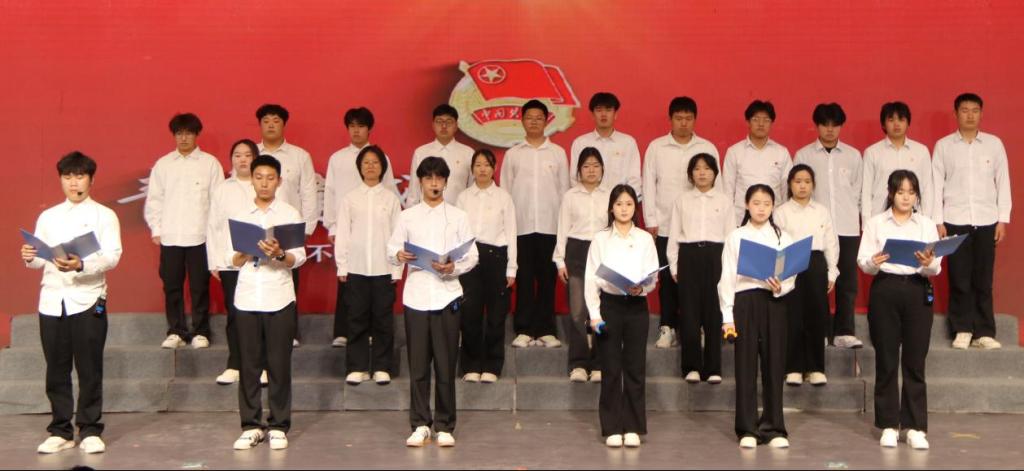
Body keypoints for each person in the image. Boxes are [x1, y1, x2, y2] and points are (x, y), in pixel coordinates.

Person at [23, 151, 122, 455]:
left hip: (88, 299)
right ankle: (60, 430)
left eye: (79, 176)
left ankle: (90, 429)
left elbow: (112, 256)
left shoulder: (104, 215)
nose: (73, 182)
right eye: (67, 177)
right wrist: (29, 256)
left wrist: (81, 264)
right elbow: (37, 260)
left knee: (89, 367)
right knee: (56, 368)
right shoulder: (49, 216)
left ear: (91, 179)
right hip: (53, 300)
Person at [389, 157, 479, 448]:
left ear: (446, 182)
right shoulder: (407, 216)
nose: (434, 183)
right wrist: (398, 255)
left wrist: (453, 267)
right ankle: (419, 424)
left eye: (439, 178)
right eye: (428, 178)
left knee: (445, 363)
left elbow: (472, 255)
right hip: (416, 295)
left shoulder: (458, 216)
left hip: (447, 294)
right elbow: (392, 248)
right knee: (418, 366)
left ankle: (444, 425)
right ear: (420, 182)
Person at [857, 170, 941, 450]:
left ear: (917, 196)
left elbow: (936, 267)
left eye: (911, 192)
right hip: (885, 289)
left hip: (917, 289)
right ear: (891, 193)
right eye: (901, 192)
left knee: (915, 360)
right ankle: (888, 425)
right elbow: (863, 262)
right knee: (887, 359)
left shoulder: (926, 224)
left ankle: (915, 427)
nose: (906, 197)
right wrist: (874, 261)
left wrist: (928, 262)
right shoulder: (876, 223)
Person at [229, 155, 307, 451]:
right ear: (252, 180)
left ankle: (278, 425)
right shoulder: (240, 215)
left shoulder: (289, 213)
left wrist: (279, 253)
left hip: (279, 297)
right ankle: (250, 425)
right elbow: (229, 258)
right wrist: (247, 251)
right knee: (248, 365)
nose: (264, 183)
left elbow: (299, 257)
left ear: (279, 181)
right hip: (248, 296)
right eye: (259, 177)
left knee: (279, 364)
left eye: (270, 178)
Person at [719, 184, 796, 449]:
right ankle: (747, 429)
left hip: (774, 302)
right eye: (756, 203)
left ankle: (774, 428)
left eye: (766, 204)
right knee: (745, 365)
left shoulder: (782, 237)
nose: (761, 208)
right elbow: (727, 277)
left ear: (773, 207)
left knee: (774, 364)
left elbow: (791, 275)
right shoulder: (736, 236)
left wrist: (781, 286)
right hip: (745, 302)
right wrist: (727, 316)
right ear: (747, 205)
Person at [932, 92, 1012, 350]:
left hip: (987, 219)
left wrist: (1002, 219)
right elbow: (936, 184)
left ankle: (984, 331)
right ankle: (963, 329)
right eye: (964, 110)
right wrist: (938, 220)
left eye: (975, 110)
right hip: (954, 219)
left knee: (983, 278)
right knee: (959, 277)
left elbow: (1003, 183)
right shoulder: (944, 146)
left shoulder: (994, 144)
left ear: (981, 114)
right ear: (956, 113)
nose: (970, 115)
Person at [642, 96, 720, 351]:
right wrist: (651, 220)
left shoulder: (707, 147)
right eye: (679, 118)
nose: (683, 123)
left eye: (688, 118)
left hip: (699, 228)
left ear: (695, 119)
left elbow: (717, 187)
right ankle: (668, 327)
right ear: (670, 119)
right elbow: (648, 184)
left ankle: (698, 327)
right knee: (667, 278)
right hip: (665, 224)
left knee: (699, 282)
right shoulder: (657, 147)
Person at [584, 184, 659, 448]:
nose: (624, 209)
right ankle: (612, 427)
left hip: (636, 306)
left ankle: (633, 426)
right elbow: (591, 278)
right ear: (611, 208)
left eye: (629, 204)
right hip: (610, 306)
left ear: (635, 208)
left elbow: (653, 275)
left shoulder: (644, 238)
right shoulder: (601, 239)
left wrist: (643, 287)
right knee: (611, 367)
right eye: (619, 204)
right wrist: (595, 314)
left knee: (635, 368)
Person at [144, 113, 224, 349]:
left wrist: (215, 234)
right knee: (172, 286)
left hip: (201, 236)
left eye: (188, 133)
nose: (184, 138)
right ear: (174, 136)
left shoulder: (210, 164)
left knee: (200, 286)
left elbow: (218, 201)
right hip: (171, 236)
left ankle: (201, 331)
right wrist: (157, 228)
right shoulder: (164, 164)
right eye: (179, 133)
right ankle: (176, 331)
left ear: (196, 135)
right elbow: (155, 199)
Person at [323, 106, 399, 348]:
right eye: (352, 126)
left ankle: (372, 332)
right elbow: (330, 192)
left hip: (376, 227)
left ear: (369, 129)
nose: (356, 131)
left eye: (361, 126)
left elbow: (390, 190)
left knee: (375, 285)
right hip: (347, 225)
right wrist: (333, 226)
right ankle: (343, 331)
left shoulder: (381, 157)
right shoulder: (337, 158)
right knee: (347, 279)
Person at [793, 103, 865, 349]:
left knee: (847, 282)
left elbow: (858, 192)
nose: (830, 130)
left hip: (846, 227)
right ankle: (820, 331)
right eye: (825, 124)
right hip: (815, 229)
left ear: (841, 126)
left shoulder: (853, 156)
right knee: (816, 282)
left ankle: (844, 331)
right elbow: (798, 191)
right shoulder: (803, 156)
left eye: (835, 125)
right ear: (817, 126)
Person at [500, 99, 569, 349]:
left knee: (548, 280)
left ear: (546, 121)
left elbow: (565, 192)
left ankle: (546, 329)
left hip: (550, 227)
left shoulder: (558, 153)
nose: (534, 122)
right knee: (524, 279)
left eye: (539, 118)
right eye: (529, 117)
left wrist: (564, 228)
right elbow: (505, 193)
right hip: (521, 227)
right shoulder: (513, 154)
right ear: (522, 121)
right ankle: (524, 329)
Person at [335, 145, 403, 386]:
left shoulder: (391, 199)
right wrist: (342, 266)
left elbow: (398, 236)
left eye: (375, 162)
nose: (371, 166)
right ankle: (358, 367)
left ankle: (382, 367)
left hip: (384, 269)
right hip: (356, 268)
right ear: (360, 168)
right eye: (366, 162)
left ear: (383, 167)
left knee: (383, 320)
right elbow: (343, 234)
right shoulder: (350, 199)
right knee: (356, 318)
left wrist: (397, 268)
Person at [666, 153, 734, 384]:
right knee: (690, 314)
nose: (702, 173)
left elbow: (731, 238)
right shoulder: (682, 201)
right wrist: (674, 266)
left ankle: (713, 368)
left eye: (707, 168)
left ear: (715, 173)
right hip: (689, 256)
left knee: (715, 313)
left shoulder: (724, 201)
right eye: (697, 168)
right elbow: (674, 236)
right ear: (690, 174)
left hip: (717, 256)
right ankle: (691, 367)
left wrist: (729, 268)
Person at [207, 139, 267, 386]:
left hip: (262, 262)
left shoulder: (263, 186)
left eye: (247, 155)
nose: (242, 159)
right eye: (237, 155)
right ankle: (235, 364)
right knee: (235, 314)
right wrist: (214, 261)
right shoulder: (223, 189)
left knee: (260, 313)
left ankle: (261, 366)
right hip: (231, 261)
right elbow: (213, 226)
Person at [256, 104, 316, 347]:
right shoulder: (252, 154)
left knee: (289, 279)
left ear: (284, 124)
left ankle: (288, 331)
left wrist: (307, 229)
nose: (271, 125)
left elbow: (309, 193)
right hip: (257, 224)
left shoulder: (300, 156)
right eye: (266, 121)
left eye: (276, 120)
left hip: (288, 227)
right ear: (260, 125)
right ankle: (258, 331)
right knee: (257, 276)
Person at [775, 165, 839, 387]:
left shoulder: (821, 211)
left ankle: (815, 368)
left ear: (813, 185)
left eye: (807, 181)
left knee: (816, 315)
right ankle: (793, 368)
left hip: (815, 261)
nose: (802, 186)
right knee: (792, 316)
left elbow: (831, 242)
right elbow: (777, 243)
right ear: (790, 184)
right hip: (790, 261)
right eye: (797, 181)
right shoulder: (781, 212)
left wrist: (832, 271)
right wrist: (779, 271)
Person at [456, 149, 517, 384]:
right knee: (469, 313)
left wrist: (511, 268)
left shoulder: (503, 197)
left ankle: (492, 365)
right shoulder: (463, 197)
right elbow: (457, 232)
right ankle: (470, 365)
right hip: (469, 257)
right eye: (478, 165)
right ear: (472, 169)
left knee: (496, 315)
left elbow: (511, 233)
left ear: (494, 168)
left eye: (487, 165)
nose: (482, 169)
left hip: (496, 257)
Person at [554, 147, 611, 383]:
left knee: (601, 310)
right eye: (586, 166)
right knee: (578, 312)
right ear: (578, 171)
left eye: (596, 166)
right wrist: (560, 260)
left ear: (603, 169)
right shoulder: (570, 196)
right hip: (576, 252)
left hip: (603, 252)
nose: (591, 170)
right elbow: (562, 229)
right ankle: (578, 364)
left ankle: (599, 364)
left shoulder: (610, 195)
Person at [722, 100, 793, 226]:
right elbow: (727, 190)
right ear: (748, 122)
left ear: (771, 123)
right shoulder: (734, 152)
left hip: (774, 221)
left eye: (766, 120)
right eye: (756, 119)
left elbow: (787, 189)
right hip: (741, 221)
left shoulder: (781, 152)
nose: (761, 124)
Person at [862, 101, 934, 222]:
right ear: (883, 124)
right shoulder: (872, 152)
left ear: (908, 123)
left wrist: (926, 219)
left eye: (901, 119)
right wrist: (866, 222)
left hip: (914, 217)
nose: (896, 124)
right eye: (891, 120)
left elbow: (927, 188)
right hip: (880, 217)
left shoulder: (921, 151)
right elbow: (866, 191)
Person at [569, 92, 642, 193]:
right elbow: (575, 178)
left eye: (608, 110)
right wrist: (588, 199)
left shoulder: (628, 143)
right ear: (593, 115)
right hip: (588, 201)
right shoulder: (580, 143)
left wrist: (622, 200)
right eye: (599, 110)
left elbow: (634, 179)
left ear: (615, 114)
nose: (603, 114)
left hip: (619, 201)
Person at [407, 104, 474, 206]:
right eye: (439, 121)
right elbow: (413, 192)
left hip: (458, 212)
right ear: (433, 125)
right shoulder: (421, 152)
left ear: (456, 125)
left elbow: (472, 189)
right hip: (426, 212)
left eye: (449, 122)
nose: (444, 126)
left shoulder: (468, 153)